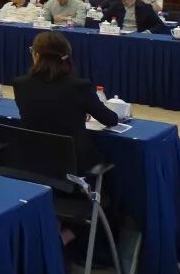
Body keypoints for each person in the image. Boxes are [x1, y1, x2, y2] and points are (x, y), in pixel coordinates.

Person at [15, 31, 119, 172]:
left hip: (32, 159)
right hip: (74, 162)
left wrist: (76, 111)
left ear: (37, 55)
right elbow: (110, 119)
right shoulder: (79, 86)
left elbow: (40, 111)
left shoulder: (21, 84)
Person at [101, 0, 166, 33]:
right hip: (119, 36)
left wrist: (147, 32)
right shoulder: (116, 5)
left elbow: (159, 25)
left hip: (137, 38)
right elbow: (104, 20)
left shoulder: (144, 7)